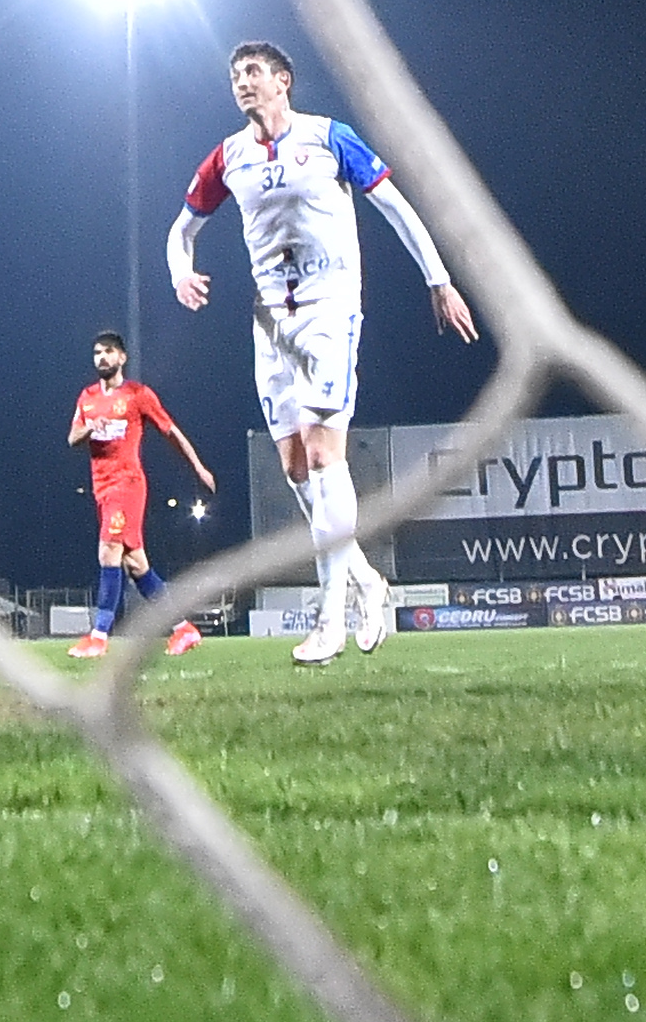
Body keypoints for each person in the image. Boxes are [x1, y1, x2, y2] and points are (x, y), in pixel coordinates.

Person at [170, 39, 477, 667]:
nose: (242, 83)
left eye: (253, 72)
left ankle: (329, 617)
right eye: (235, 76)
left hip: (330, 306)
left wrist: (438, 279)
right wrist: (181, 270)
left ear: (283, 80)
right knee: (295, 469)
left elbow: (395, 205)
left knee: (322, 451)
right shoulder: (228, 156)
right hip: (270, 320)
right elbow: (182, 229)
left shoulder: (329, 137)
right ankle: (367, 581)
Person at [64, 331, 214, 660]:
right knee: (136, 564)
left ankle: (99, 636)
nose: (101, 358)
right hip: (101, 487)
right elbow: (73, 437)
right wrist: (93, 427)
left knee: (108, 551)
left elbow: (170, 431)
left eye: (108, 352)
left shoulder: (137, 395)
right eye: (97, 352)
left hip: (127, 484)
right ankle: (183, 629)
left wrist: (198, 467)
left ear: (122, 358)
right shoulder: (87, 397)